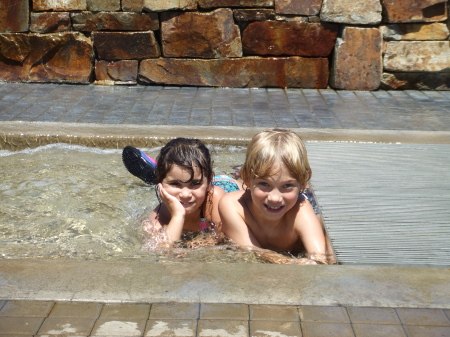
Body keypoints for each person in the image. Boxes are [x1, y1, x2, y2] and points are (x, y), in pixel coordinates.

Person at [218, 129, 333, 264]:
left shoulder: (300, 211)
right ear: (247, 180)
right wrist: (290, 263)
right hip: (247, 190)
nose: (275, 198)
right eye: (264, 184)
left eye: (287, 185)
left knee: (328, 229)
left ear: (301, 184)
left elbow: (320, 259)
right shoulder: (232, 205)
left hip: (302, 198)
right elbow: (252, 252)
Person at [122, 139, 241, 246]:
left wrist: (188, 245)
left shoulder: (215, 198)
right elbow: (163, 251)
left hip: (226, 185)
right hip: (199, 183)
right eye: (175, 184)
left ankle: (239, 171)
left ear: (209, 180)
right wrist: (178, 215)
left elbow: (225, 239)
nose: (185, 194)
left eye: (194, 183)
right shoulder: (158, 218)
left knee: (247, 180)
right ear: (161, 185)